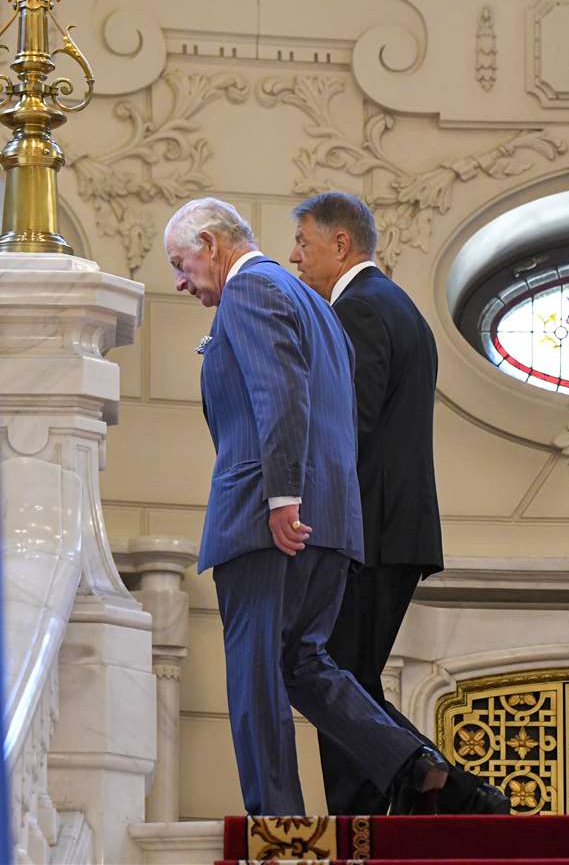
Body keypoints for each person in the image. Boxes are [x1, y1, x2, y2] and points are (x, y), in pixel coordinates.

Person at [163, 196, 451, 817]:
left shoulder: (250, 291)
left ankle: (278, 829)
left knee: (255, 677)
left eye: (182, 264)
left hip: (270, 521)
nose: (181, 282)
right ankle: (410, 761)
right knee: (303, 663)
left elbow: (279, 393)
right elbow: (339, 415)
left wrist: (281, 498)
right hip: (333, 523)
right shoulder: (319, 307)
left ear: (212, 245)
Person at [290, 191, 505, 816]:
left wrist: (312, 522)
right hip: (393, 526)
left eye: (304, 242)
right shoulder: (394, 306)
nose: (295, 256)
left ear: (340, 244)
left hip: (367, 531)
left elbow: (345, 430)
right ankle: (446, 793)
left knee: (334, 677)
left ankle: (369, 822)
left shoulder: (357, 310)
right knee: (345, 678)